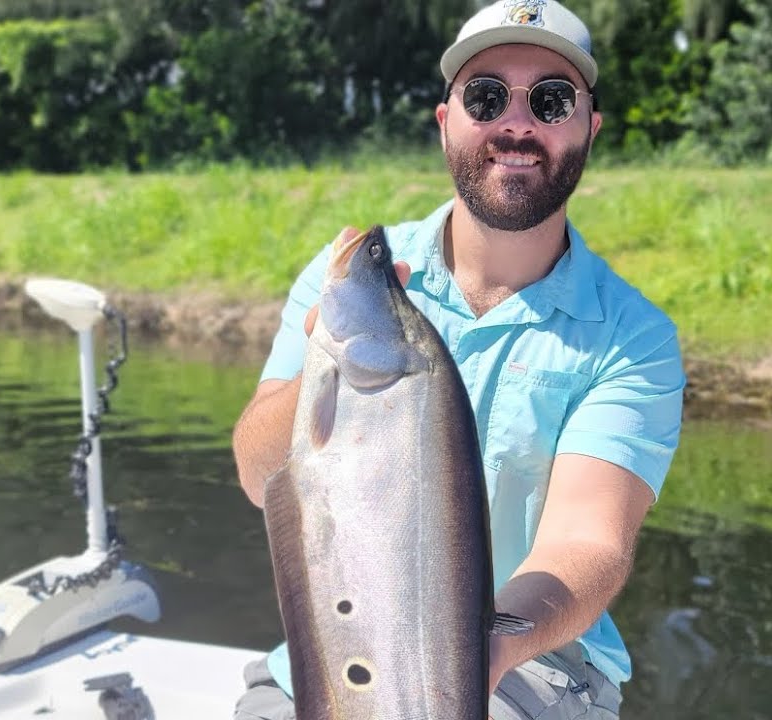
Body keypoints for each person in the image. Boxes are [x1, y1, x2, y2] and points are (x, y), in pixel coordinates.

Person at [230, 1, 685, 718]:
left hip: (534, 658)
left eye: (551, 100)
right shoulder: (344, 279)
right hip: (333, 642)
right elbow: (258, 474)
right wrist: (329, 352)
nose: (516, 123)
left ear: (589, 128)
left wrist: (473, 653)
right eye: (485, 96)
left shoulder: (635, 338)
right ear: (447, 120)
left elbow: (588, 541)